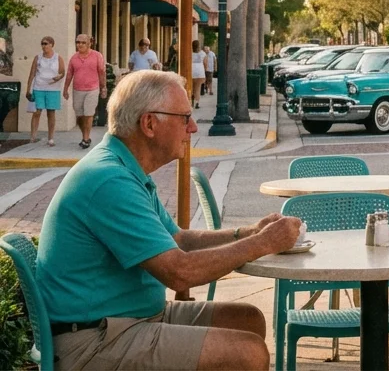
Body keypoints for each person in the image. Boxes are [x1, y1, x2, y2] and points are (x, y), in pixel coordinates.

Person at [38, 70, 302, 370]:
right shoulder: (109, 180)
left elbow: (178, 240)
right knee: (247, 353)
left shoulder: (124, 168)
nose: (191, 127)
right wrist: (263, 243)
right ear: (149, 123)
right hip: (92, 340)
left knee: (247, 320)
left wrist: (248, 232)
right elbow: (179, 272)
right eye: (184, 117)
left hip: (128, 318)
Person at [64, 34, 106, 149]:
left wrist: (103, 87)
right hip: (77, 90)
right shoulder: (74, 58)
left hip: (92, 89)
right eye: (78, 42)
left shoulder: (97, 56)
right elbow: (69, 74)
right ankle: (85, 135)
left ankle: (86, 138)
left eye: (83, 42)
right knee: (79, 116)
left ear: (89, 43)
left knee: (88, 113)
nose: (80, 45)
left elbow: (101, 72)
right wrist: (65, 89)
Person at [26, 36, 64, 147]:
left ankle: (51, 138)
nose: (44, 46)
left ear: (52, 44)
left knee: (51, 113)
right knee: (37, 112)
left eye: (46, 43)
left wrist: (59, 77)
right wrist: (28, 89)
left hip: (53, 89)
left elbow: (62, 71)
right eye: (42, 44)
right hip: (38, 87)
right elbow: (32, 74)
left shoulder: (58, 57)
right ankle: (33, 136)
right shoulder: (38, 58)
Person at [188, 40, 206, 108]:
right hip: (200, 71)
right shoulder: (202, 54)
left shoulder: (190, 53)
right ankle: (197, 102)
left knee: (191, 87)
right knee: (197, 88)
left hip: (191, 70)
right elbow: (205, 63)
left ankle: (191, 101)